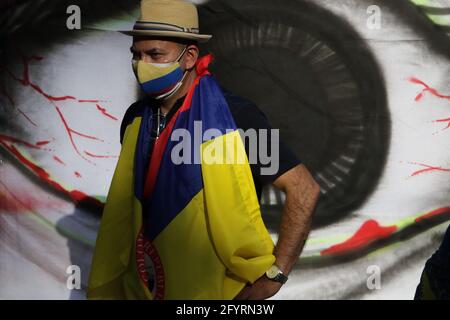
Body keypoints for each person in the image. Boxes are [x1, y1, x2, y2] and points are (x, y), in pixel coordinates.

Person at [88, 0, 320, 300]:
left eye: (155, 54)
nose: (141, 64)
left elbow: (304, 189)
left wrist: (276, 275)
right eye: (136, 54)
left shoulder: (236, 118)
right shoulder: (135, 120)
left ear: (189, 57)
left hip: (223, 293)